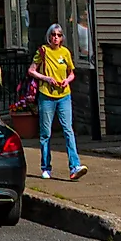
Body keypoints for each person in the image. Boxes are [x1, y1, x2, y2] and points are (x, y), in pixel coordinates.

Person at [32, 23, 84, 180]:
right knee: (46, 133)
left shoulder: (65, 53)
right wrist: (46, 78)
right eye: (53, 35)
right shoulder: (43, 51)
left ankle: (75, 166)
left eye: (59, 35)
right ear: (49, 36)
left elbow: (71, 73)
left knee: (68, 130)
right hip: (46, 96)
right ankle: (46, 167)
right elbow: (32, 70)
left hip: (64, 96)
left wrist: (67, 81)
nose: (56, 38)